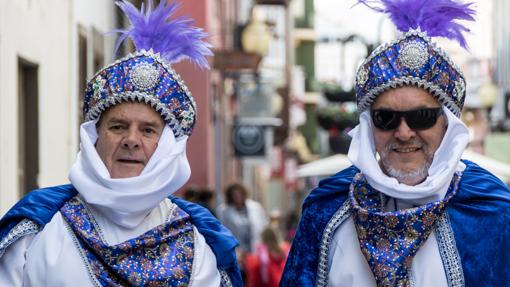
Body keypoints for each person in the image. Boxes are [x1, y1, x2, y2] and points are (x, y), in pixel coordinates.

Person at [0, 1, 241, 286]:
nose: (131, 140)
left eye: (148, 130)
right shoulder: (37, 228)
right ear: (94, 137)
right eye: (118, 126)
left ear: (167, 146)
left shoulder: (200, 240)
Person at [281, 0, 510, 286]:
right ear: (369, 126)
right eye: (386, 118)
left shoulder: (492, 213)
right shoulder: (327, 213)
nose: (403, 133)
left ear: (448, 124)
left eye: (422, 116)